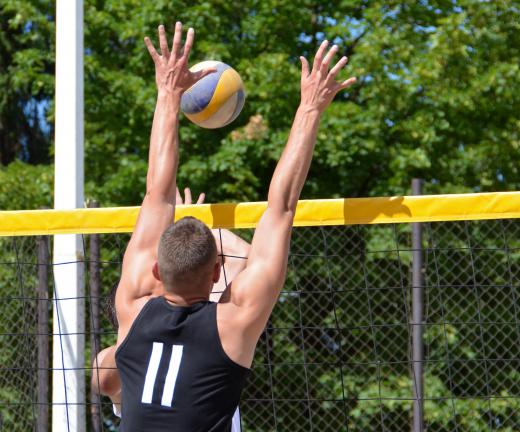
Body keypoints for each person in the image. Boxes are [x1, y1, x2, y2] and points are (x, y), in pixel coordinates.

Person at [112, 21, 355, 432]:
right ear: (217, 274)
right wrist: (310, 107)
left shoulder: (132, 306)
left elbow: (158, 193)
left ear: (155, 270)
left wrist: (168, 94)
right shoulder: (234, 322)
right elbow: (281, 207)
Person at [91, 187, 250, 426]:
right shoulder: (128, 356)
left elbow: (243, 258)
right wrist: (197, 223)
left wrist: (190, 231)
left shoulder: (206, 320)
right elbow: (102, 381)